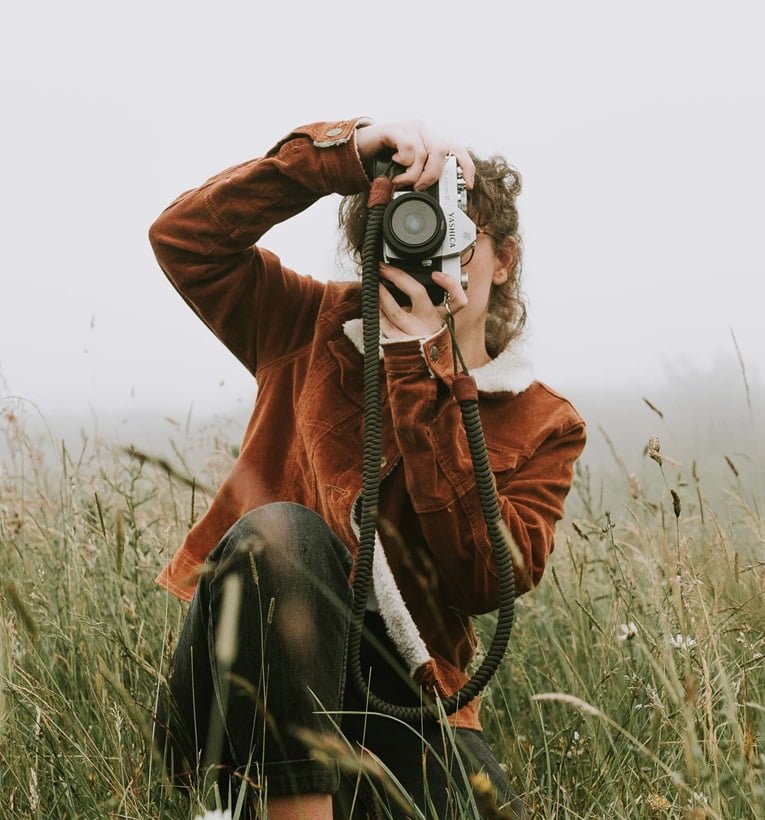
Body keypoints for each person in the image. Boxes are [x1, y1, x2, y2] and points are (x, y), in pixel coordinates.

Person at [149, 118, 586, 819]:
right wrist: (341, 157)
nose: (426, 256)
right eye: (402, 232)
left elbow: (483, 580)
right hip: (248, 680)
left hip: (405, 698)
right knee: (285, 535)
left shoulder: (541, 423)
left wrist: (417, 373)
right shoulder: (307, 325)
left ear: (501, 258)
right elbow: (185, 240)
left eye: (449, 234)